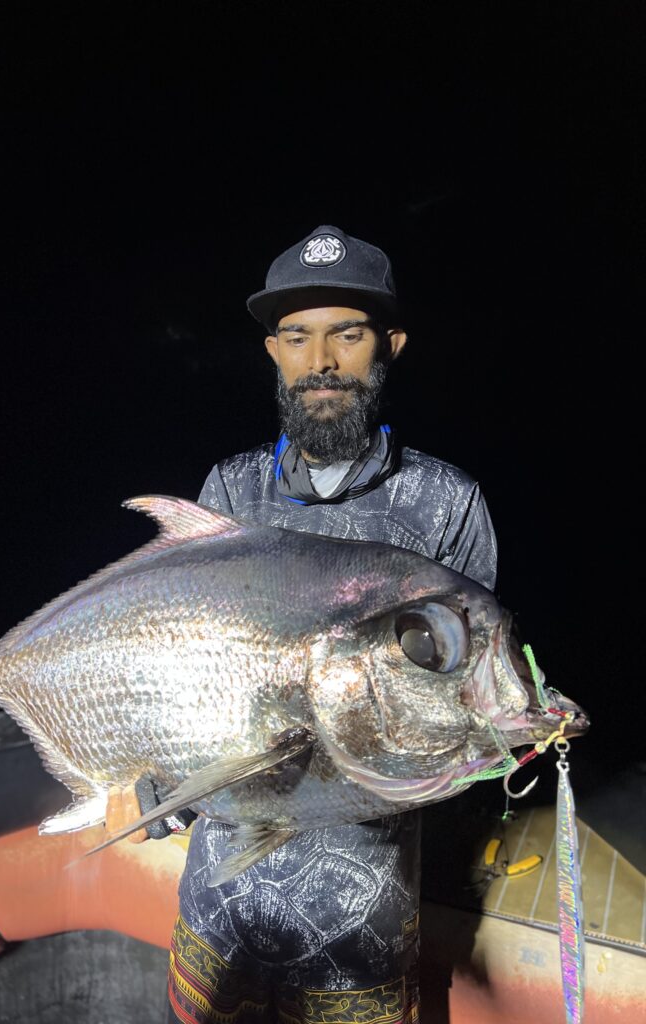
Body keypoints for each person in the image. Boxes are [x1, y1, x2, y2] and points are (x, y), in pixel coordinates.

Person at [107, 225, 497, 1023]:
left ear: (389, 346)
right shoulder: (230, 491)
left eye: (347, 335)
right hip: (220, 910)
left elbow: (467, 707)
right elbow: (186, 676)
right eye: (297, 337)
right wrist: (153, 763)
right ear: (273, 353)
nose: (321, 360)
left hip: (360, 929)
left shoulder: (447, 505)